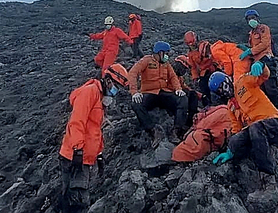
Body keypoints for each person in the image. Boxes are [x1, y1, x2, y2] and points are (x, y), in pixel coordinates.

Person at [58, 64, 130, 213]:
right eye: (116, 86)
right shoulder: (89, 93)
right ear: (108, 80)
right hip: (74, 156)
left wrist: (98, 154)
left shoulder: (100, 97)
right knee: (76, 198)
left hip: (83, 157)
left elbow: (95, 130)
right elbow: (77, 122)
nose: (115, 91)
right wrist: (77, 150)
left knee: (74, 196)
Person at [209, 63, 278, 175]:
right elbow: (236, 128)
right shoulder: (230, 107)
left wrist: (261, 65)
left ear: (228, 80)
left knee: (255, 128)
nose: (225, 92)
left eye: (224, 87)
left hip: (275, 123)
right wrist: (231, 149)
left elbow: (263, 76)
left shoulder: (243, 82)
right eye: (220, 91)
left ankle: (266, 172)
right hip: (259, 133)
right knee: (236, 140)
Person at [238, 9, 278, 127]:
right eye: (248, 19)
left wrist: (250, 51)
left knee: (272, 91)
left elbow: (264, 44)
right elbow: (254, 47)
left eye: (252, 18)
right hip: (257, 64)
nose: (251, 20)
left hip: (266, 60)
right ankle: (275, 118)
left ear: (257, 18)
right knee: (264, 92)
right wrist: (246, 49)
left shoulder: (263, 28)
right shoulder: (252, 34)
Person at [129, 41, 188, 148]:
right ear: (160, 52)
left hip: (164, 93)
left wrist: (178, 89)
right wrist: (134, 92)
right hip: (149, 93)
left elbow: (173, 77)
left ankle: (176, 130)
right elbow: (133, 73)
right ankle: (153, 130)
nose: (167, 56)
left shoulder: (166, 64)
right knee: (136, 104)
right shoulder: (146, 60)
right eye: (166, 53)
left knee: (183, 99)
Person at [185, 31, 216, 104]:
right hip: (204, 72)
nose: (192, 46)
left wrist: (216, 65)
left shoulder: (205, 46)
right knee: (203, 87)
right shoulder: (190, 54)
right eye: (190, 44)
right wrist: (195, 77)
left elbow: (215, 55)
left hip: (213, 68)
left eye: (192, 43)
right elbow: (193, 67)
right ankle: (208, 104)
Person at [172, 55, 201, 125]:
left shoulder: (179, 77)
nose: (184, 71)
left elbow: (184, 87)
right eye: (184, 68)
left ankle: (190, 119)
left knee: (192, 94)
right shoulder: (169, 74)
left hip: (175, 95)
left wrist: (199, 95)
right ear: (179, 65)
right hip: (169, 96)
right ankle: (179, 126)